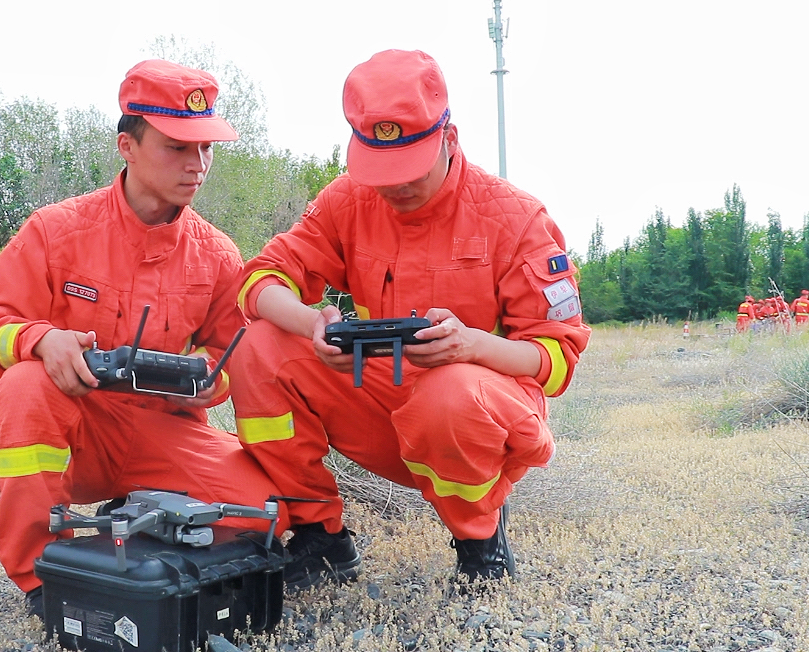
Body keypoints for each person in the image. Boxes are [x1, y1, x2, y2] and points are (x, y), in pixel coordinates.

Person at [227, 49, 591, 590]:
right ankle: (318, 536)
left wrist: (469, 347)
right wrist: (312, 324)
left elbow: (557, 358)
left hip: (478, 415)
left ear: (449, 138)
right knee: (259, 346)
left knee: (450, 393)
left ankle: (479, 542)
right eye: (380, 172)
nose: (395, 187)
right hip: (383, 402)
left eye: (410, 170)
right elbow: (260, 280)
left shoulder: (515, 218)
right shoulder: (348, 201)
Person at [0, 59, 287, 618]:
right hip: (77, 428)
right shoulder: (56, 230)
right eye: (177, 147)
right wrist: (42, 341)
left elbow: (229, 352)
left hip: (161, 429)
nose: (198, 164)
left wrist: (205, 384)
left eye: (206, 148)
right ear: (127, 146)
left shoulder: (217, 254)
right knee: (22, 389)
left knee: (264, 514)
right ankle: (45, 578)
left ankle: (139, 527)